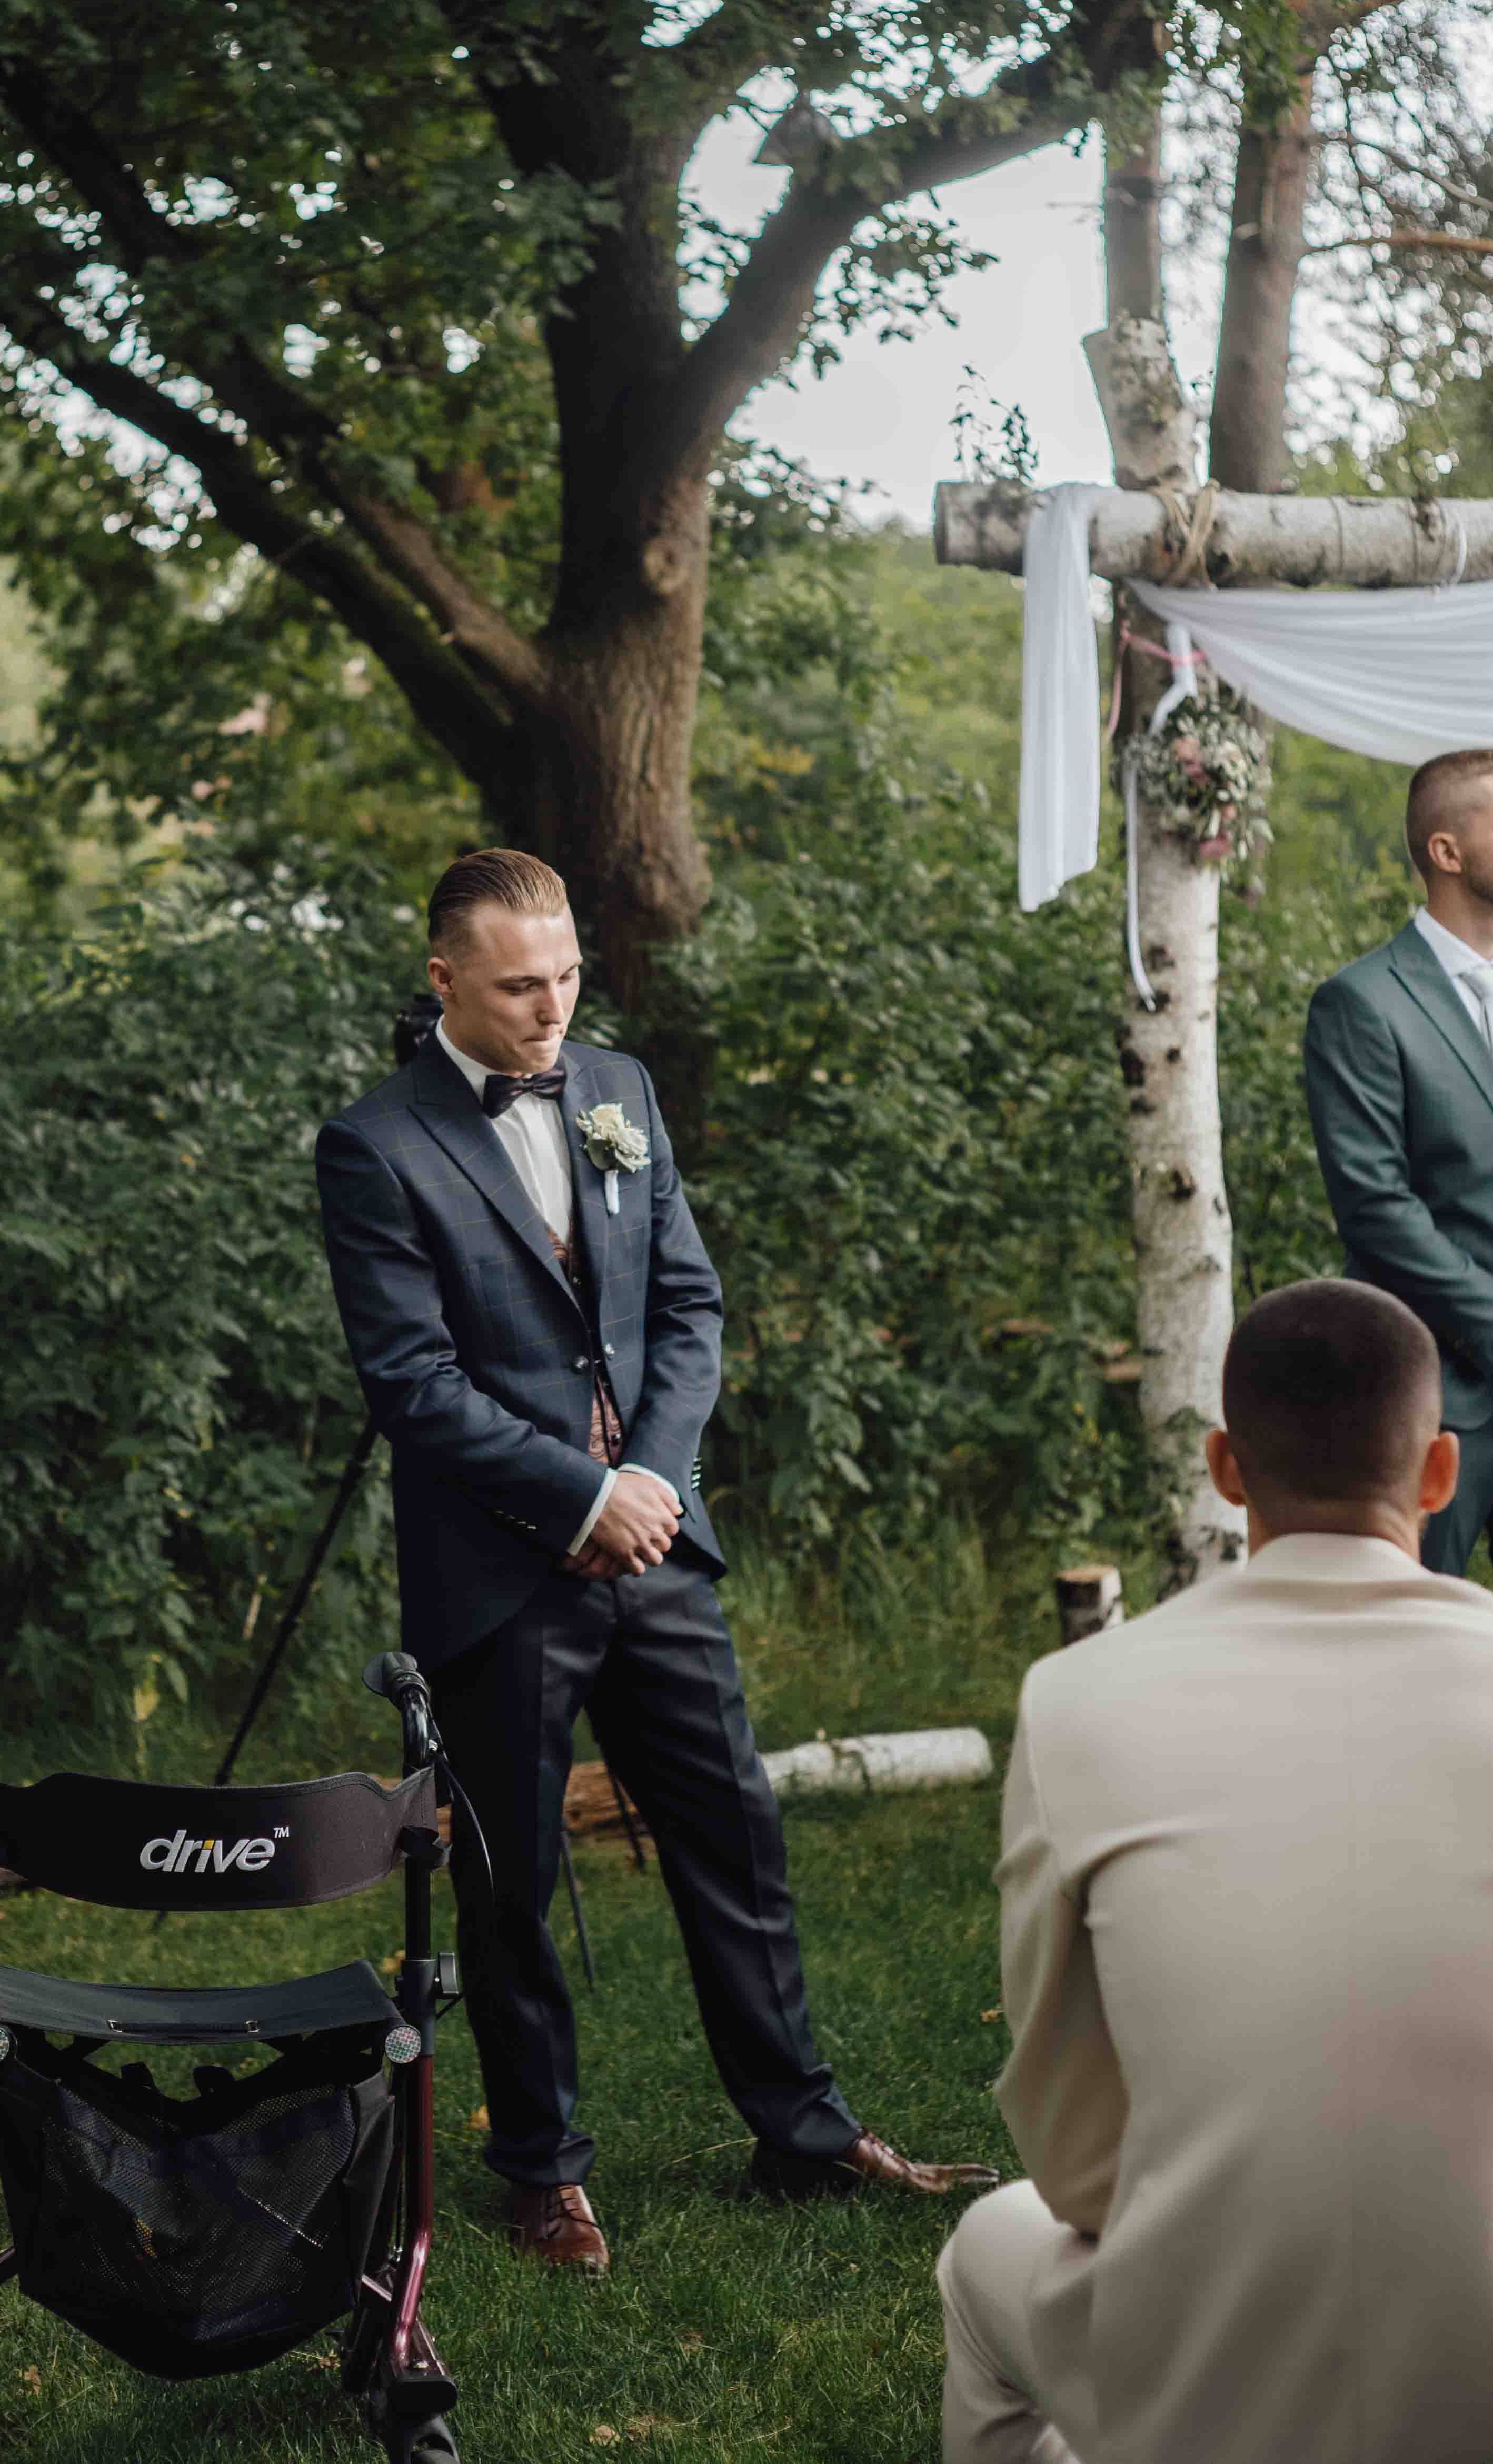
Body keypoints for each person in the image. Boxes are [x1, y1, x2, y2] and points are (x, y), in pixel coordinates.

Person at [314, 847, 993, 2276]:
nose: (550, 1007)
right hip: (504, 1572)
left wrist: (648, 1483)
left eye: (564, 977)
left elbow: (688, 1304)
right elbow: (411, 1384)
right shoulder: (374, 1144)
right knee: (508, 1885)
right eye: (517, 986)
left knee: (735, 1842)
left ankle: (803, 2129)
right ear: (442, 979)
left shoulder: (618, 1091)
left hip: (660, 1547)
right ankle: (542, 2169)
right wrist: (575, 1497)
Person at [937, 1278, 1493, 2464]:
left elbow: (1076, 2162)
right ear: (1439, 1471)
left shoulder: (1081, 1695)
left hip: (1215, 2387)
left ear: (1227, 1465)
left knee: (987, 2249)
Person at [1304, 746, 1493, 1574]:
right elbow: (1375, 1207)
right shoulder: (1363, 1002)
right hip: (1431, 1392)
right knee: (1413, 1645)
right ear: (1446, 852)